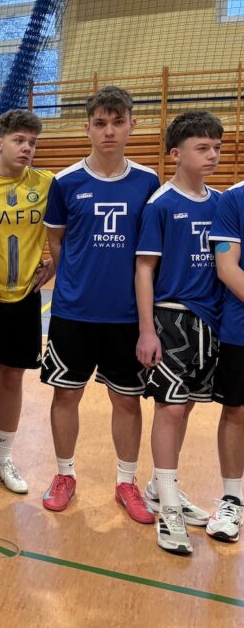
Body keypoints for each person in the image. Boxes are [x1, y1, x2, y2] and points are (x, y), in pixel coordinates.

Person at [40, 86, 159, 520]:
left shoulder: (148, 182)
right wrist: (73, 280)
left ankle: (126, 482)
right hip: (73, 312)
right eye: (100, 123)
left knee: (126, 401)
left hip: (126, 315)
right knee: (65, 395)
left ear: (132, 125)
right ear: (87, 128)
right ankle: (64, 474)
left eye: (117, 122)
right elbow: (57, 240)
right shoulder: (66, 181)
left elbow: (149, 253)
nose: (109, 131)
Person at [136, 111, 223, 555]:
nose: (212, 155)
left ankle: (159, 486)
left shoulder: (221, 202)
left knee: (185, 407)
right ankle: (168, 507)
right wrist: (147, 330)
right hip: (171, 320)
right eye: (201, 148)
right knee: (169, 410)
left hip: (210, 321)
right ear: (175, 153)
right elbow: (144, 269)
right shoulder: (161, 204)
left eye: (216, 147)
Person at [0, 110, 54, 497]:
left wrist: (55, 263)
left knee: (13, 378)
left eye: (32, 142)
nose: (27, 148)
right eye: (19, 140)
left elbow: (69, 231)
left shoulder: (47, 184)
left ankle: (2, 458)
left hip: (25, 297)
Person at [208, 136, 244, 545]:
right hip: (240, 330)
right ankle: (232, 499)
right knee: (236, 412)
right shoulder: (233, 200)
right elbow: (227, 268)